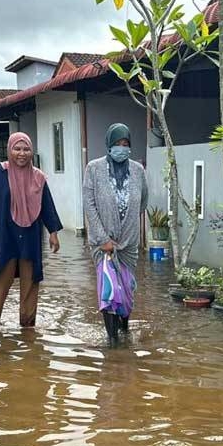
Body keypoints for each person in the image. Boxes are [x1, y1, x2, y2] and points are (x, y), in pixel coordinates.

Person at [0, 132, 62, 328]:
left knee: (31, 281)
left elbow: (47, 205)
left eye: (26, 149)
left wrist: (53, 232)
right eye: (17, 149)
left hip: (31, 237)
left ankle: (28, 326)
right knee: (1, 278)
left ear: (32, 152)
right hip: (6, 235)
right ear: (9, 150)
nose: (22, 153)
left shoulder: (38, 178)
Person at [82, 123, 148, 343]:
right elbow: (89, 205)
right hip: (103, 245)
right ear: (108, 145)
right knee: (110, 291)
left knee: (126, 289)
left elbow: (143, 202)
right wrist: (103, 239)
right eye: (117, 144)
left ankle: (124, 331)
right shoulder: (94, 168)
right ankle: (112, 343)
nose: (121, 148)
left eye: (126, 144)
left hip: (128, 243)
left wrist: (126, 227)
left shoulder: (138, 170)